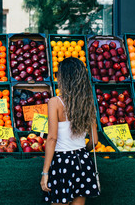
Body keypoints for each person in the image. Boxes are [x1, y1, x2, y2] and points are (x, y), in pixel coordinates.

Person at [40, 57, 100, 205]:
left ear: (64, 78)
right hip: (83, 161)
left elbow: (52, 138)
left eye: (58, 74)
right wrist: (81, 152)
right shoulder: (88, 102)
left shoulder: (55, 102)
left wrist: (45, 172)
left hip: (62, 162)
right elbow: (95, 141)